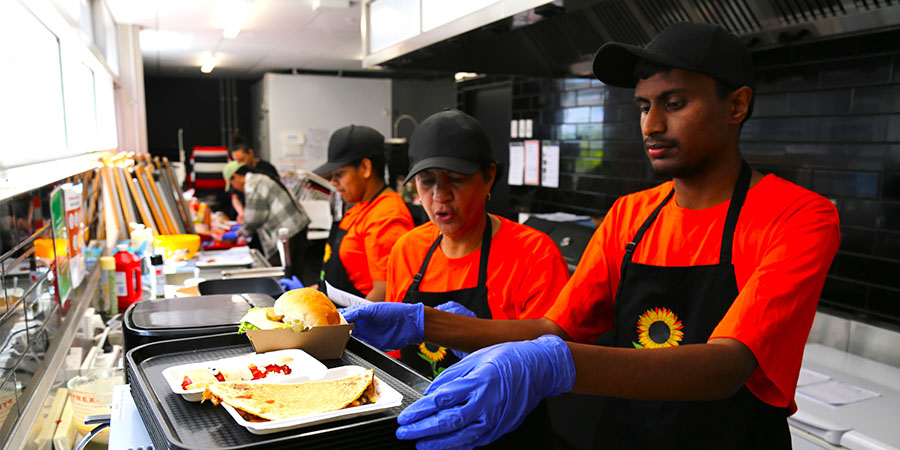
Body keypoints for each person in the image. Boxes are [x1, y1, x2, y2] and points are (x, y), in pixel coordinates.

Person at [342, 22, 841, 449]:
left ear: (736, 106)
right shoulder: (630, 216)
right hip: (627, 438)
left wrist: (553, 366)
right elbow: (554, 330)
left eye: (674, 102)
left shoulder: (797, 216)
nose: (652, 124)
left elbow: (726, 365)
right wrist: (421, 322)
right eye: (643, 106)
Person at [349, 109, 571, 448]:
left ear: (489, 177)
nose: (440, 195)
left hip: (508, 433)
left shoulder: (533, 253)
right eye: (427, 182)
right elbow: (395, 358)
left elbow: (552, 362)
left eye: (456, 178)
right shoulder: (408, 249)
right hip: (423, 428)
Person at [311, 125, 414, 303]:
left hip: (360, 324)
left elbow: (384, 293)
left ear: (365, 168)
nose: (334, 183)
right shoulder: (360, 206)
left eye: (339, 174)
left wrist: (348, 324)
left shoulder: (387, 216)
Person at [222, 160, 311, 282]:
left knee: (287, 273)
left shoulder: (253, 184)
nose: (235, 189)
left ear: (235, 177)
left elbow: (254, 218)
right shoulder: (257, 179)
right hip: (294, 226)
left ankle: (294, 297)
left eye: (232, 185)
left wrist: (239, 232)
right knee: (294, 271)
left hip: (289, 230)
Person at [228, 133, 279, 224]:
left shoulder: (267, 169)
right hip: (249, 216)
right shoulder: (238, 172)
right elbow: (235, 197)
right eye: (236, 161)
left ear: (250, 153)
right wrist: (241, 213)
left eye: (242, 159)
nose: (240, 164)